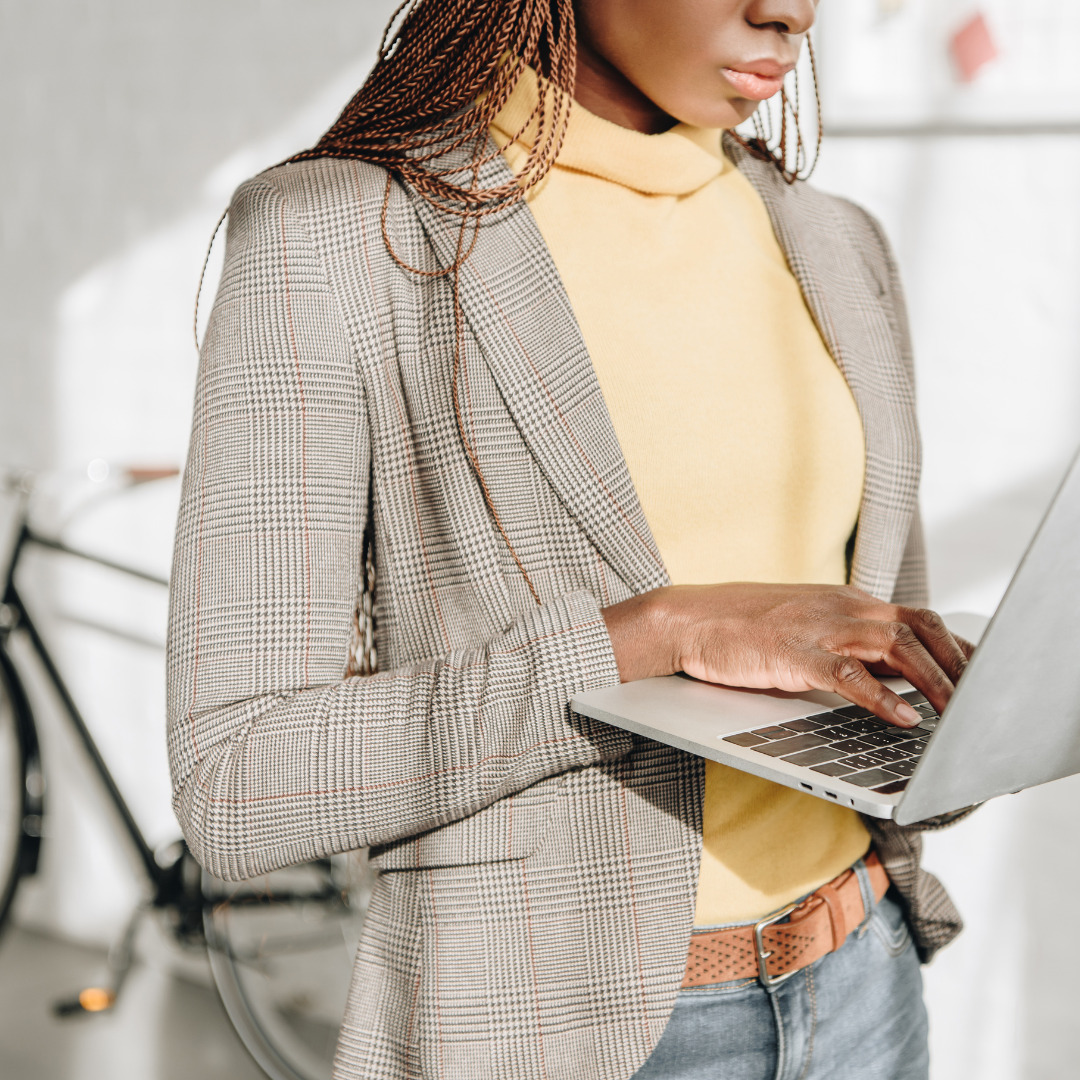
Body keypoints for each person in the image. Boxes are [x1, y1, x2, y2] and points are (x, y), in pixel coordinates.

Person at [167, 2, 974, 1077]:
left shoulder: (836, 241)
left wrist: (988, 714)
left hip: (864, 980)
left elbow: (887, 649)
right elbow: (238, 781)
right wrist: (658, 633)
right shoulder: (337, 237)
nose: (791, 9)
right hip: (559, 1034)